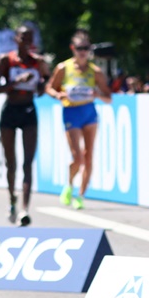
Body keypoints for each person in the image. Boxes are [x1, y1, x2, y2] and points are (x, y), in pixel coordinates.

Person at [0, 25, 49, 225]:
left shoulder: (37, 62)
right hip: (10, 110)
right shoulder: (6, 60)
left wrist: (41, 84)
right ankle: (12, 200)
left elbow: (44, 87)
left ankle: (25, 208)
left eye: (30, 38)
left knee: (28, 163)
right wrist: (16, 82)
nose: (26, 41)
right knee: (11, 163)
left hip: (28, 110)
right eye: (23, 37)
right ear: (16, 39)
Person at [46, 28, 111, 210]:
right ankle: (69, 184)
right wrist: (58, 95)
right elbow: (49, 88)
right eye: (79, 48)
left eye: (86, 48)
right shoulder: (63, 67)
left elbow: (108, 97)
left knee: (88, 156)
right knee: (77, 157)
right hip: (71, 112)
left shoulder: (95, 71)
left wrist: (97, 94)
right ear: (72, 48)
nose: (82, 52)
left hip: (89, 112)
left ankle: (81, 196)